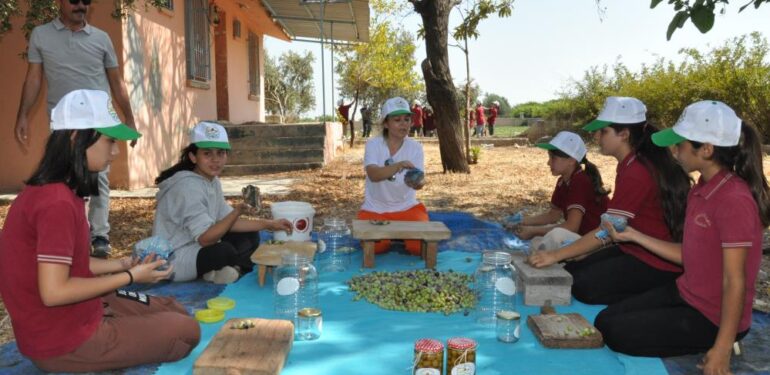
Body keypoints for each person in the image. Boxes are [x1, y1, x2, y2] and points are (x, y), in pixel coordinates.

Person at [0, 89, 199, 373]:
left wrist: (122, 264)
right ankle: (101, 353)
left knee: (174, 308)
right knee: (187, 329)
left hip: (75, 315)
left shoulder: (59, 192)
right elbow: (54, 291)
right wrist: (129, 276)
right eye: (109, 141)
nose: (116, 151)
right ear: (75, 138)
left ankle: (121, 336)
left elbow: (67, 263)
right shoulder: (55, 202)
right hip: (64, 341)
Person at [594, 101, 767, 374]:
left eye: (680, 144)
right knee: (604, 320)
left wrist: (720, 350)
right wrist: (634, 236)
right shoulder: (701, 188)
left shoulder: (734, 199)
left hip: (712, 315)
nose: (674, 151)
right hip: (686, 292)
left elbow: (735, 280)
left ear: (706, 150)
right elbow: (690, 254)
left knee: (616, 333)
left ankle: (723, 342)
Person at [529, 96, 691, 305]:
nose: (596, 136)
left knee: (581, 285)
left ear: (624, 134)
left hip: (655, 260)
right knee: (572, 271)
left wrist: (556, 254)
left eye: (603, 131)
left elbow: (606, 230)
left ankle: (653, 297)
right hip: (632, 247)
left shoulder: (637, 170)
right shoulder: (632, 163)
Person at [14, 0, 137, 258]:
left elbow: (116, 81)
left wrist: (129, 117)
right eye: (74, 1)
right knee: (65, 177)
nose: (80, 5)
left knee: (98, 175)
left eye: (86, 1)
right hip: (64, 123)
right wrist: (22, 115)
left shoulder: (101, 39)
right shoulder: (41, 35)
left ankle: (99, 235)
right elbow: (34, 77)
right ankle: (75, 232)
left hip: (99, 120)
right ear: (60, 2)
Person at [153, 121, 292, 284]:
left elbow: (228, 222)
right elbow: (205, 239)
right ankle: (230, 270)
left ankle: (226, 271)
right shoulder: (187, 187)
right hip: (175, 258)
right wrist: (237, 211)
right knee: (224, 251)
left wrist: (268, 224)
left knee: (250, 235)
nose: (215, 160)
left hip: (198, 246)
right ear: (193, 157)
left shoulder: (212, 181)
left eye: (220, 153)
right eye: (207, 153)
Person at [512, 131, 609, 251]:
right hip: (584, 237)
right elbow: (552, 216)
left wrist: (533, 231)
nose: (548, 163)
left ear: (571, 160)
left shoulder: (580, 181)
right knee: (539, 241)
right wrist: (521, 222)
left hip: (597, 242)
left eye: (553, 158)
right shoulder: (563, 181)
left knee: (555, 236)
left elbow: (572, 227)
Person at [357, 97, 428, 255]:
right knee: (376, 248)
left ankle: (401, 236)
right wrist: (398, 165)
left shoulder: (416, 148)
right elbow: (374, 175)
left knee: (419, 248)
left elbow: (419, 181)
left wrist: (418, 182)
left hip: (406, 207)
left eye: (407, 119)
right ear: (386, 124)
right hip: (375, 209)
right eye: (397, 120)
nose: (404, 124)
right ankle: (395, 237)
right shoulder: (374, 145)